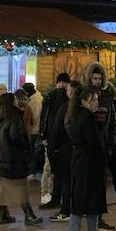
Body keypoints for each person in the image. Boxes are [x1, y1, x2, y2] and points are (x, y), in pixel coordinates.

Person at [82, 62, 116, 211]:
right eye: (95, 78)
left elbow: (115, 117)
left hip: (110, 136)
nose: (97, 81)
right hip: (96, 138)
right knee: (97, 173)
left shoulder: (108, 94)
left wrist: (115, 136)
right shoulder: (86, 95)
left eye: (99, 78)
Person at [65, 87, 108, 231]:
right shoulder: (88, 118)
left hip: (79, 159)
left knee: (81, 195)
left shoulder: (75, 116)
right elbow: (94, 142)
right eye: (94, 100)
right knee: (90, 197)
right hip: (90, 161)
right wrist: (103, 156)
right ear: (84, 101)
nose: (97, 103)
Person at [0, 93, 39, 225]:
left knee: (3, 185)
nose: (17, 101)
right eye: (15, 100)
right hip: (12, 157)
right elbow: (16, 137)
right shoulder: (14, 118)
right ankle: (28, 214)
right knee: (22, 185)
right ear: (12, 103)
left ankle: (3, 214)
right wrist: (26, 147)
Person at [47, 80, 80, 222]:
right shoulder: (83, 109)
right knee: (77, 182)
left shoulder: (64, 108)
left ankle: (66, 210)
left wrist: (52, 148)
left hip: (65, 150)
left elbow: (56, 131)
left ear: (70, 92)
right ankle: (78, 209)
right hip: (79, 151)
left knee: (66, 181)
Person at [39, 73, 71, 209]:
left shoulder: (57, 98)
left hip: (59, 139)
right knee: (56, 171)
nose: (62, 85)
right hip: (54, 139)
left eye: (65, 82)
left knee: (58, 171)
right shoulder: (52, 98)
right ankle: (56, 198)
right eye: (60, 82)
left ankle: (59, 200)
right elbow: (44, 117)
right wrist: (43, 135)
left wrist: (44, 135)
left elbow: (44, 117)